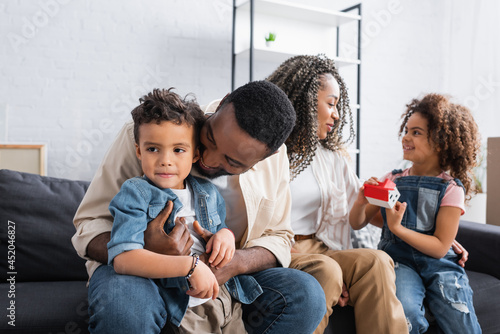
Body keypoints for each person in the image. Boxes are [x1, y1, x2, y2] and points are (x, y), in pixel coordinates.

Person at [72, 80, 326, 334]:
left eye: (232, 161)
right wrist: (150, 251)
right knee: (124, 309)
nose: (207, 159)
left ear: (265, 157)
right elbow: (90, 225)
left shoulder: (274, 159)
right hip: (140, 270)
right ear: (223, 102)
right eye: (209, 139)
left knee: (307, 295)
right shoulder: (155, 133)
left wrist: (234, 260)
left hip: (225, 277)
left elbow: (279, 236)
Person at [266, 54, 408, 334]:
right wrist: (330, 268)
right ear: (304, 101)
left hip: (323, 249)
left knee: (376, 261)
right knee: (327, 269)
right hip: (281, 249)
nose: (338, 114)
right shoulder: (266, 153)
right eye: (331, 104)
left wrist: (437, 235)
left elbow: (362, 212)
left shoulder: (332, 158)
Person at [107, 88, 250, 333]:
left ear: (195, 154)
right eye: (153, 149)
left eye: (178, 150)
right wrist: (190, 266)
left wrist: (225, 235)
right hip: (186, 306)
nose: (166, 160)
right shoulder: (136, 193)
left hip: (226, 299)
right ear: (139, 151)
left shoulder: (207, 191)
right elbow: (123, 259)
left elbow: (218, 229)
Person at [349, 93, 482, 334]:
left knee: (459, 314)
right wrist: (361, 203)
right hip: (399, 262)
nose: (406, 137)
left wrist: (399, 228)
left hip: (439, 264)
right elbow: (360, 223)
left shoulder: (451, 189)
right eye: (406, 130)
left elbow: (441, 246)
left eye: (416, 132)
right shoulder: (391, 180)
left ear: (441, 142)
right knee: (405, 314)